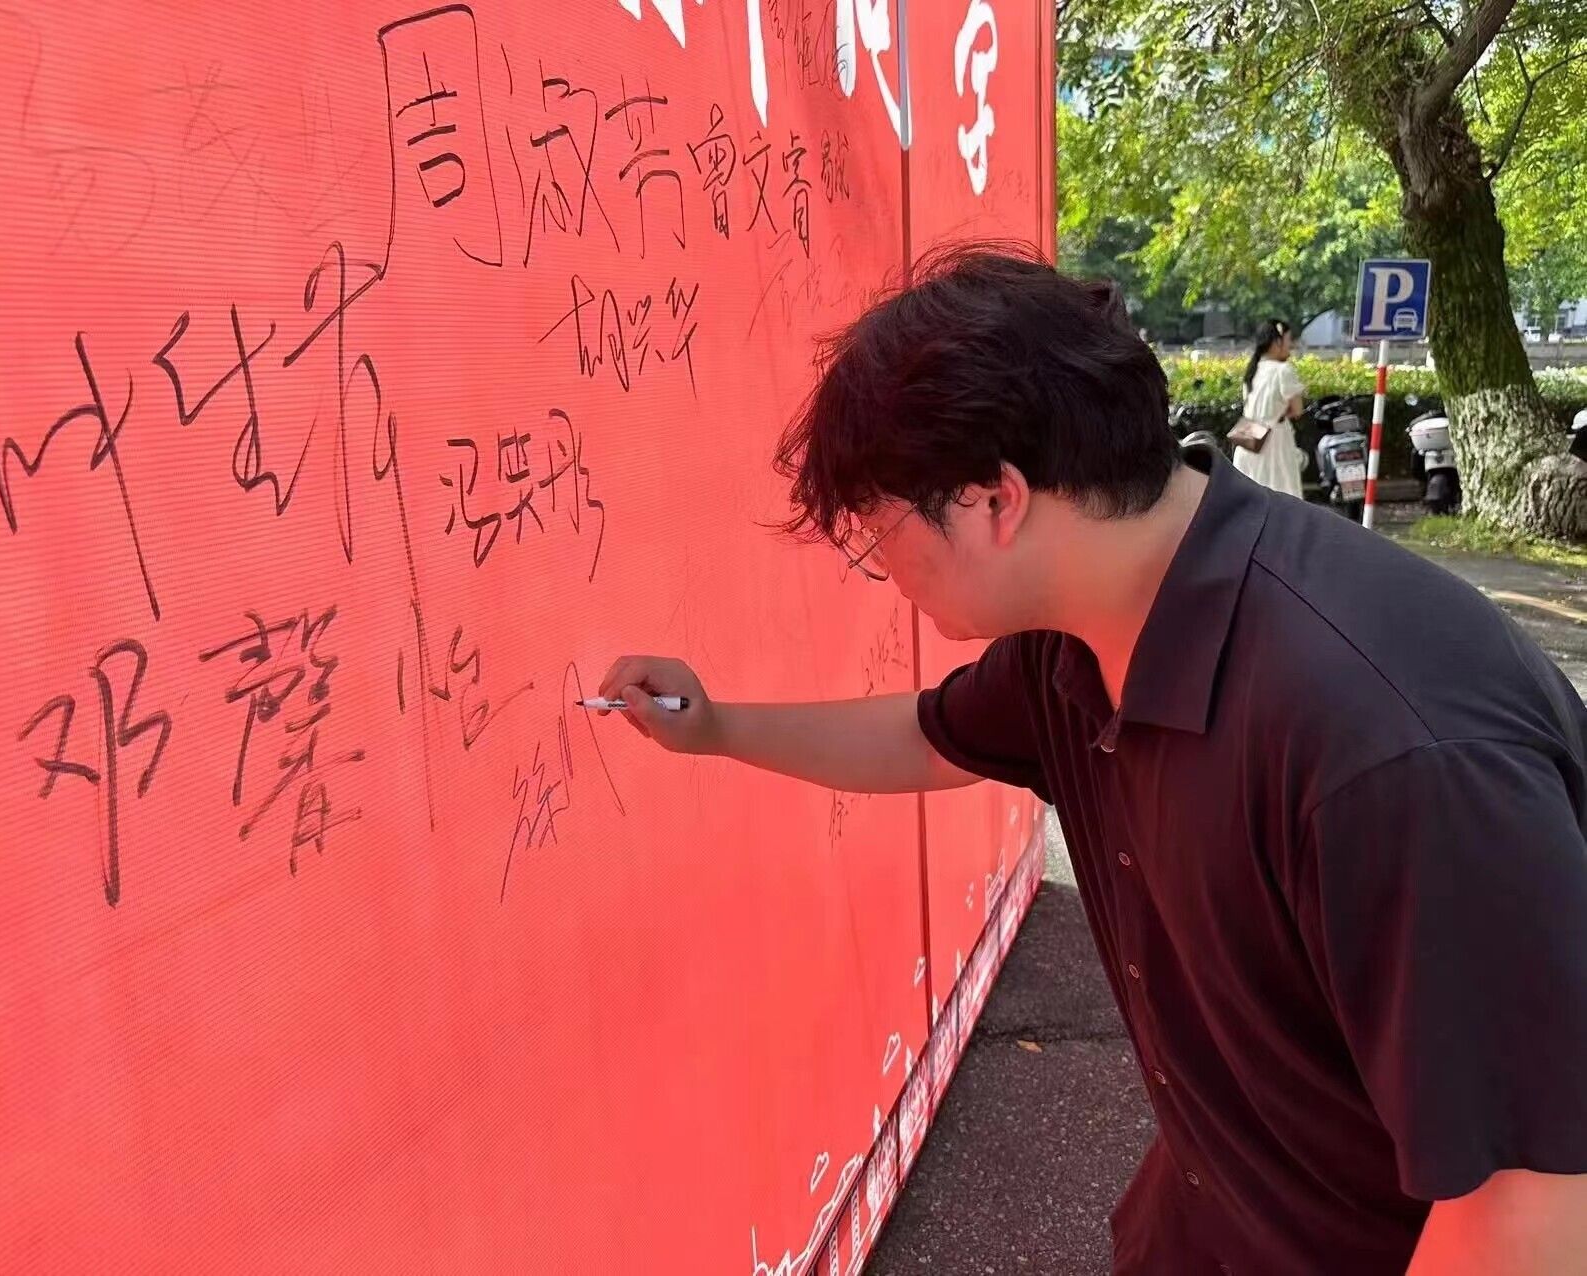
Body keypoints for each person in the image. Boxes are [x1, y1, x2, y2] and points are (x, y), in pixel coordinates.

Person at [599, 244, 1587, 1275]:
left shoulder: (1388, 746)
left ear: (994, 500)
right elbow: (930, 734)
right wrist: (715, 727)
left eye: (880, 530)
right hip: (1210, 1222)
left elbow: (1530, 1205)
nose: (880, 566)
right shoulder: (1079, 637)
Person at [1234, 318, 1306, 497]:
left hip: (1248, 437)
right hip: (1275, 442)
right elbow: (1297, 410)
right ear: (1276, 342)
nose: (1291, 346)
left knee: (1249, 496)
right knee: (1281, 494)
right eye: (1288, 340)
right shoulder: (1283, 371)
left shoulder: (1252, 370)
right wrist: (1278, 413)